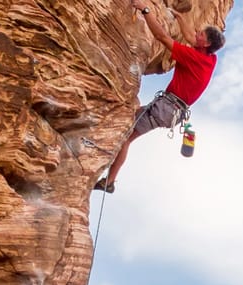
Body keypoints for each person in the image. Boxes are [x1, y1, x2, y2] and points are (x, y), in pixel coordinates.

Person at [94, 0, 226, 193]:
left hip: (166, 108)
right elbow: (190, 36)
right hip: (170, 109)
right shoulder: (210, 58)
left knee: (126, 137)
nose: (196, 33)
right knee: (123, 122)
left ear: (205, 43)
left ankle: (110, 182)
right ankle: (109, 178)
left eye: (201, 34)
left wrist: (145, 10)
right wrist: (180, 17)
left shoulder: (195, 58)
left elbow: (162, 37)